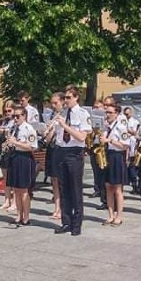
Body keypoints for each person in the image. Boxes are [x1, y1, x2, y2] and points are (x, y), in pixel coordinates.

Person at [53, 85, 91, 236]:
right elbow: (58, 137)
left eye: (68, 97)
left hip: (75, 153)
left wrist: (65, 126)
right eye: (64, 98)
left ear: (76, 98)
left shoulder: (82, 114)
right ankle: (66, 221)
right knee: (64, 189)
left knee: (75, 189)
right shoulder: (63, 113)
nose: (66, 101)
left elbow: (82, 137)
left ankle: (77, 224)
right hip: (62, 151)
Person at [5, 105, 38, 225]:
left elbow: (32, 146)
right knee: (16, 189)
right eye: (14, 116)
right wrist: (10, 143)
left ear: (24, 116)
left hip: (25, 158)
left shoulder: (29, 129)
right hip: (15, 157)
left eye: (17, 116)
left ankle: (26, 216)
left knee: (24, 190)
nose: (15, 118)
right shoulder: (14, 128)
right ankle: (19, 214)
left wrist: (16, 143)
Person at [102, 104, 131, 226]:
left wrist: (110, 140)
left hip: (117, 156)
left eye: (110, 112)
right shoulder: (106, 127)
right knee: (108, 187)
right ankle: (110, 215)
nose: (107, 115)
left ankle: (119, 215)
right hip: (107, 155)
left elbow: (125, 145)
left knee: (117, 188)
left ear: (117, 114)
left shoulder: (121, 127)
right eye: (106, 112)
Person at [42, 92, 64, 219]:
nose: (53, 105)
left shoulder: (65, 116)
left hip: (60, 149)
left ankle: (62, 208)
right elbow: (49, 137)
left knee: (60, 180)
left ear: (62, 102)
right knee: (53, 180)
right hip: (52, 148)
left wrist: (55, 128)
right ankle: (56, 207)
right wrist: (46, 131)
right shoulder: (52, 115)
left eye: (56, 103)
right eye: (52, 103)